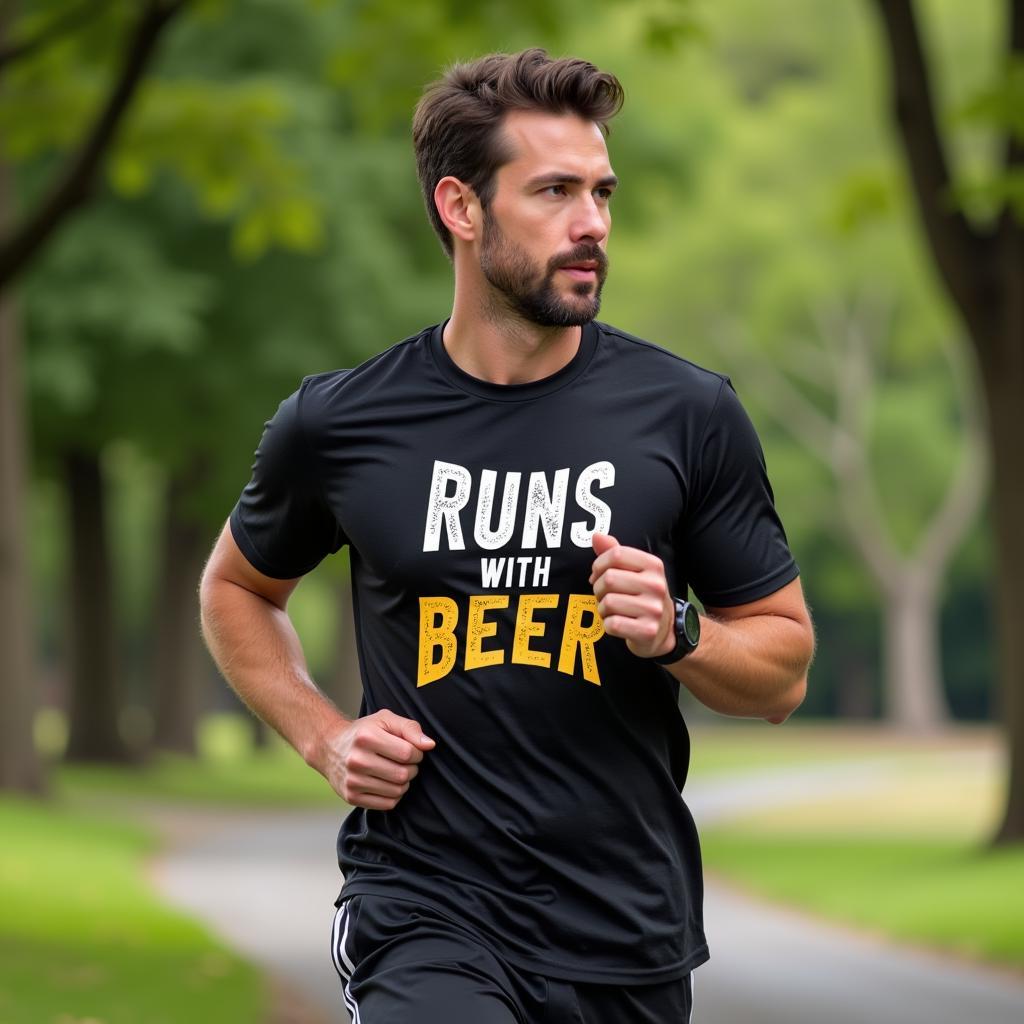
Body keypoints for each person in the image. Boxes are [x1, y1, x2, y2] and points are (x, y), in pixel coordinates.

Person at [199, 48, 815, 1024]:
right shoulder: (340, 421)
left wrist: (677, 631)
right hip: (424, 912)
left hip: (626, 932)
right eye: (556, 192)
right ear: (461, 206)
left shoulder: (687, 414)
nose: (593, 225)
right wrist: (323, 737)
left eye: (602, 192)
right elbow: (236, 588)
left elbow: (782, 672)